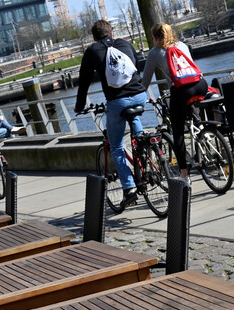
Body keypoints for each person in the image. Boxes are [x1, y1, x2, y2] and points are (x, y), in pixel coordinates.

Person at [75, 19, 147, 206]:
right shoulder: (124, 43)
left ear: (95, 37)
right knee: (137, 129)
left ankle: (129, 187)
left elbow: (84, 81)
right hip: (140, 95)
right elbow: (136, 65)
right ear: (111, 32)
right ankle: (144, 151)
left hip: (118, 101)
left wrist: (80, 105)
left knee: (116, 146)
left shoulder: (93, 51)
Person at [141, 22, 210, 182]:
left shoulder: (154, 52)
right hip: (201, 84)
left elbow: (145, 82)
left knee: (177, 132)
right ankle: (201, 128)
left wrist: (138, 98)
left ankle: (184, 175)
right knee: (187, 102)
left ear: (155, 37)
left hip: (181, 90)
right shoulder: (182, 45)